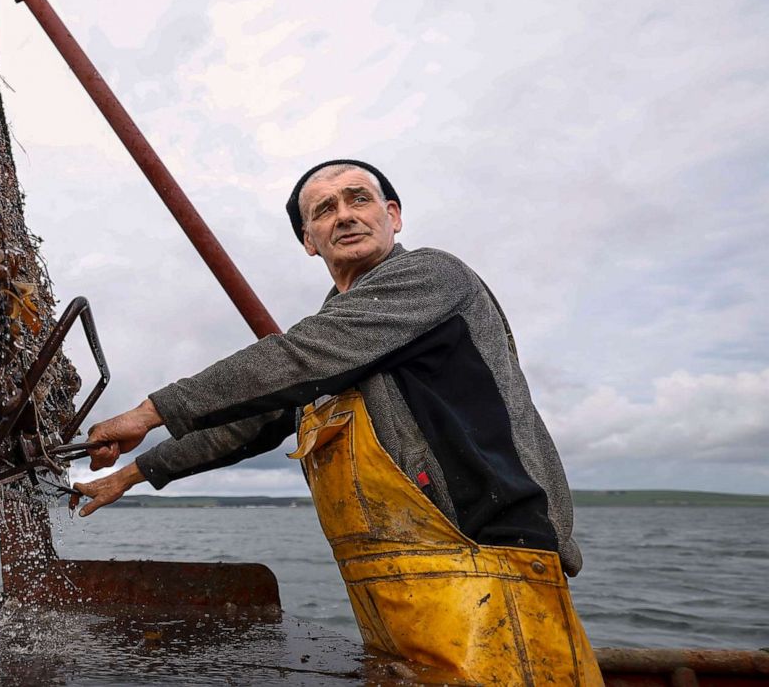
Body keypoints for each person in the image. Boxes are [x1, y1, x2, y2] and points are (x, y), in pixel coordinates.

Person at [70, 159, 603, 685]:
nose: (344, 215)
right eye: (325, 209)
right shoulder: (337, 332)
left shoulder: (430, 277)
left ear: (393, 215)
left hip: (491, 565)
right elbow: (247, 422)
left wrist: (147, 412)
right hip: (394, 590)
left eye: (359, 199)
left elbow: (293, 358)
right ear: (309, 240)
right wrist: (130, 475)